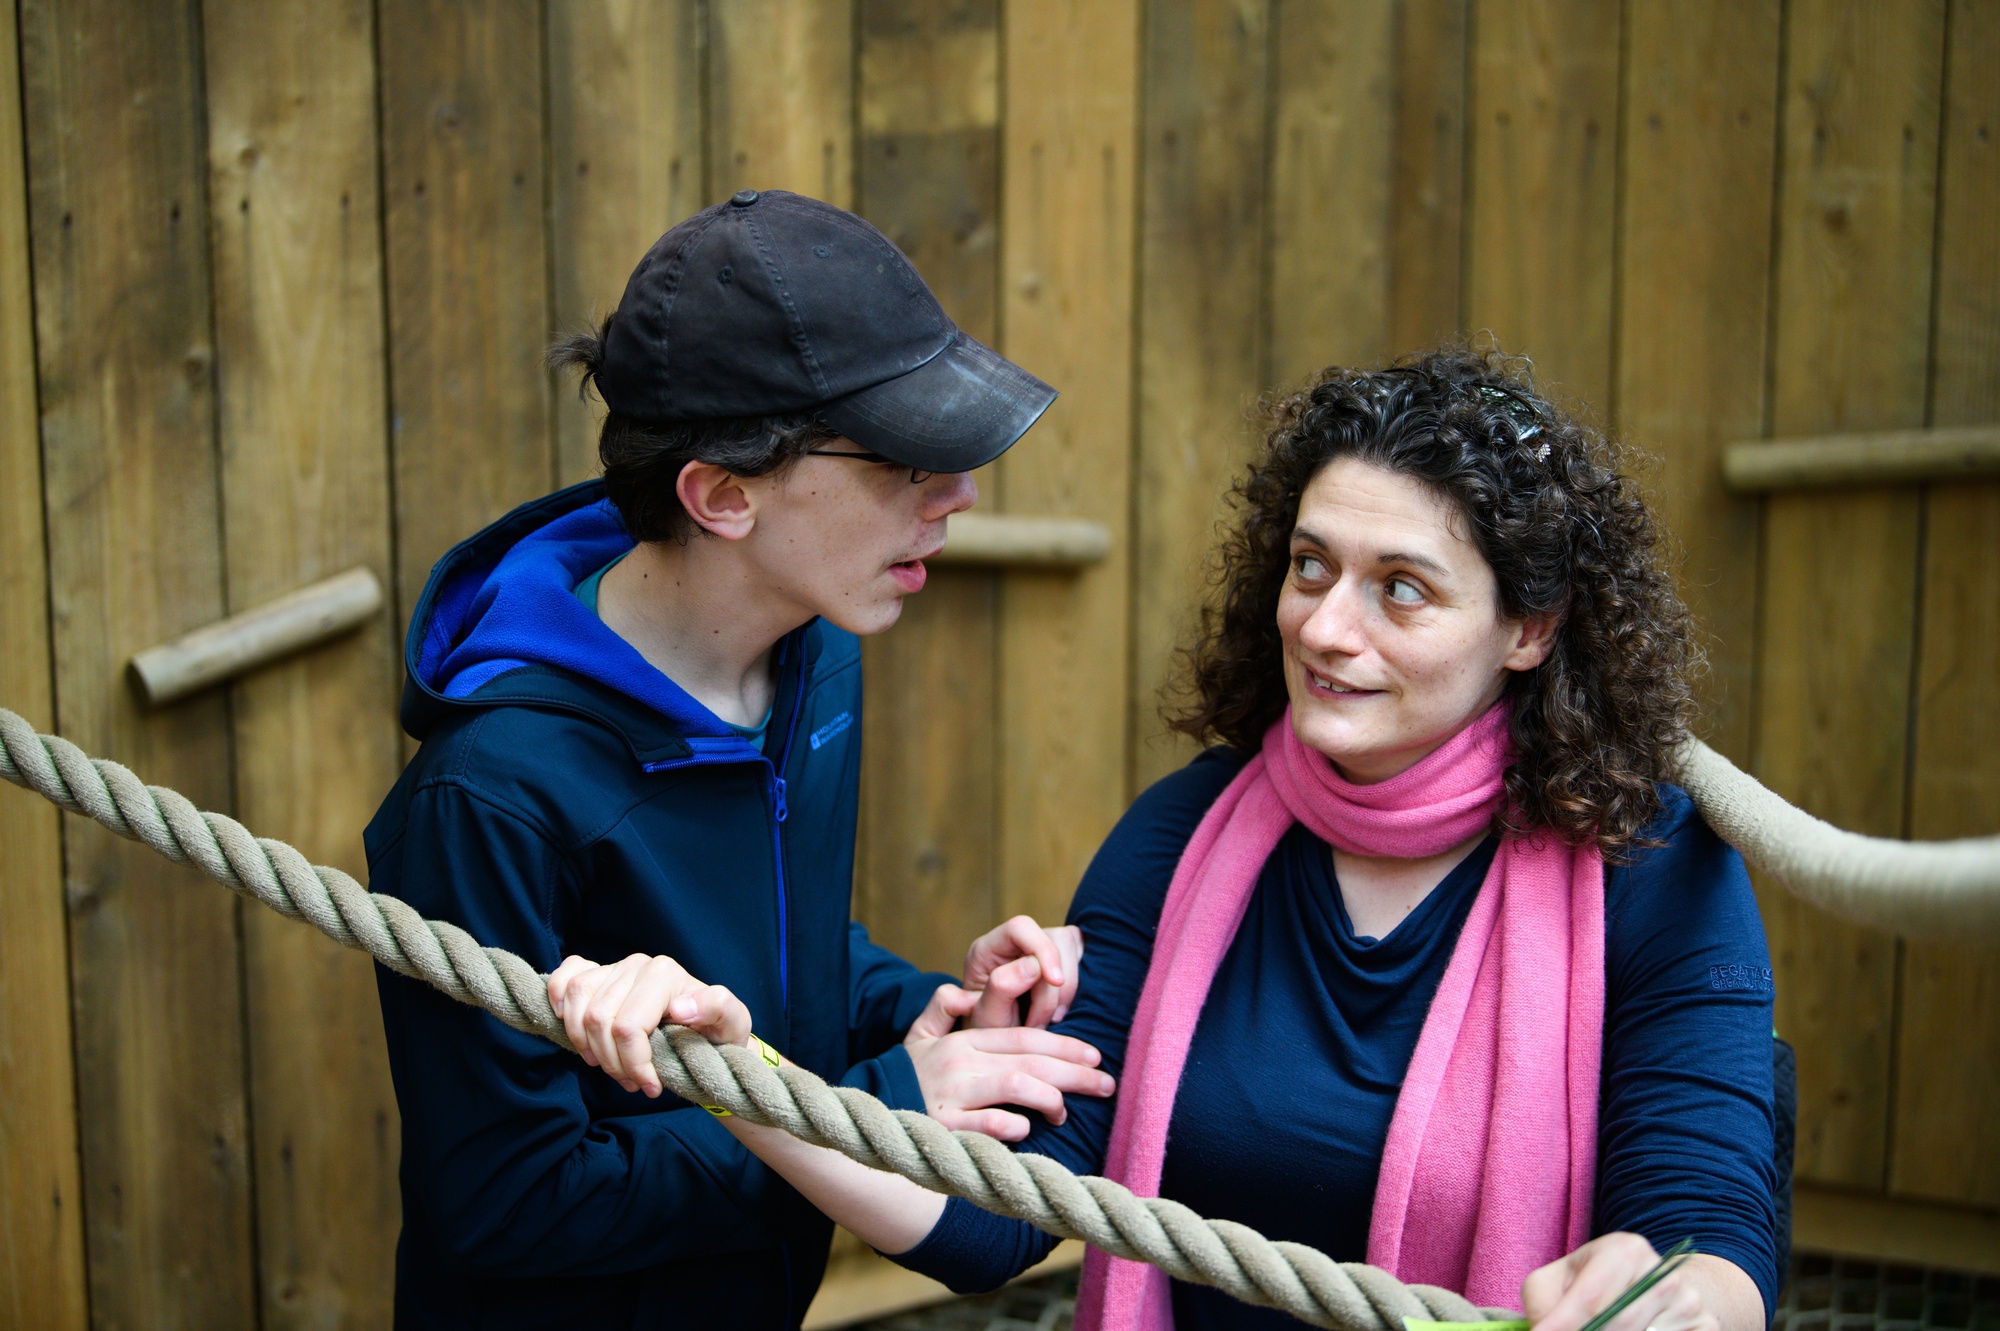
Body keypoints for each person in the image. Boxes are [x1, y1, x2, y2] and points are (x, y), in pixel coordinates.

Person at [554, 348, 1786, 1331]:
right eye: (1310, 566)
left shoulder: (1649, 863)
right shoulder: (1188, 831)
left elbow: (1711, 1222)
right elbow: (1001, 1215)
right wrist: (739, 1074)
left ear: (1528, 629)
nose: (1325, 627)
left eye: (1400, 588)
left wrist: (1683, 1294)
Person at [365, 189, 1113, 1329]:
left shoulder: (812, 649)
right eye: (902, 462)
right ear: (722, 495)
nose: (958, 495)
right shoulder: (487, 797)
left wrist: (920, 1010)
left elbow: (773, 948)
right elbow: (513, 1198)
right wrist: (877, 1107)